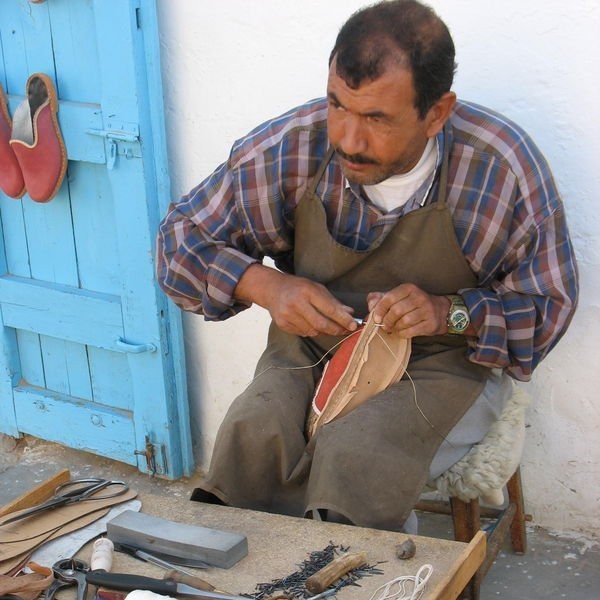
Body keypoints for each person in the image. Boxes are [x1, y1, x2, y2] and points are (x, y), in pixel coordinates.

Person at [156, 0, 578, 532]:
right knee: (253, 432)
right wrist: (266, 285)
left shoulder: (498, 166)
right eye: (338, 106)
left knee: (358, 453)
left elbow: (548, 307)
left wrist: (448, 313)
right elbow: (178, 243)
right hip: (313, 347)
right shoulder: (294, 147)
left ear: (437, 112)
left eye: (377, 119)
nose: (348, 140)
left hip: (442, 363)